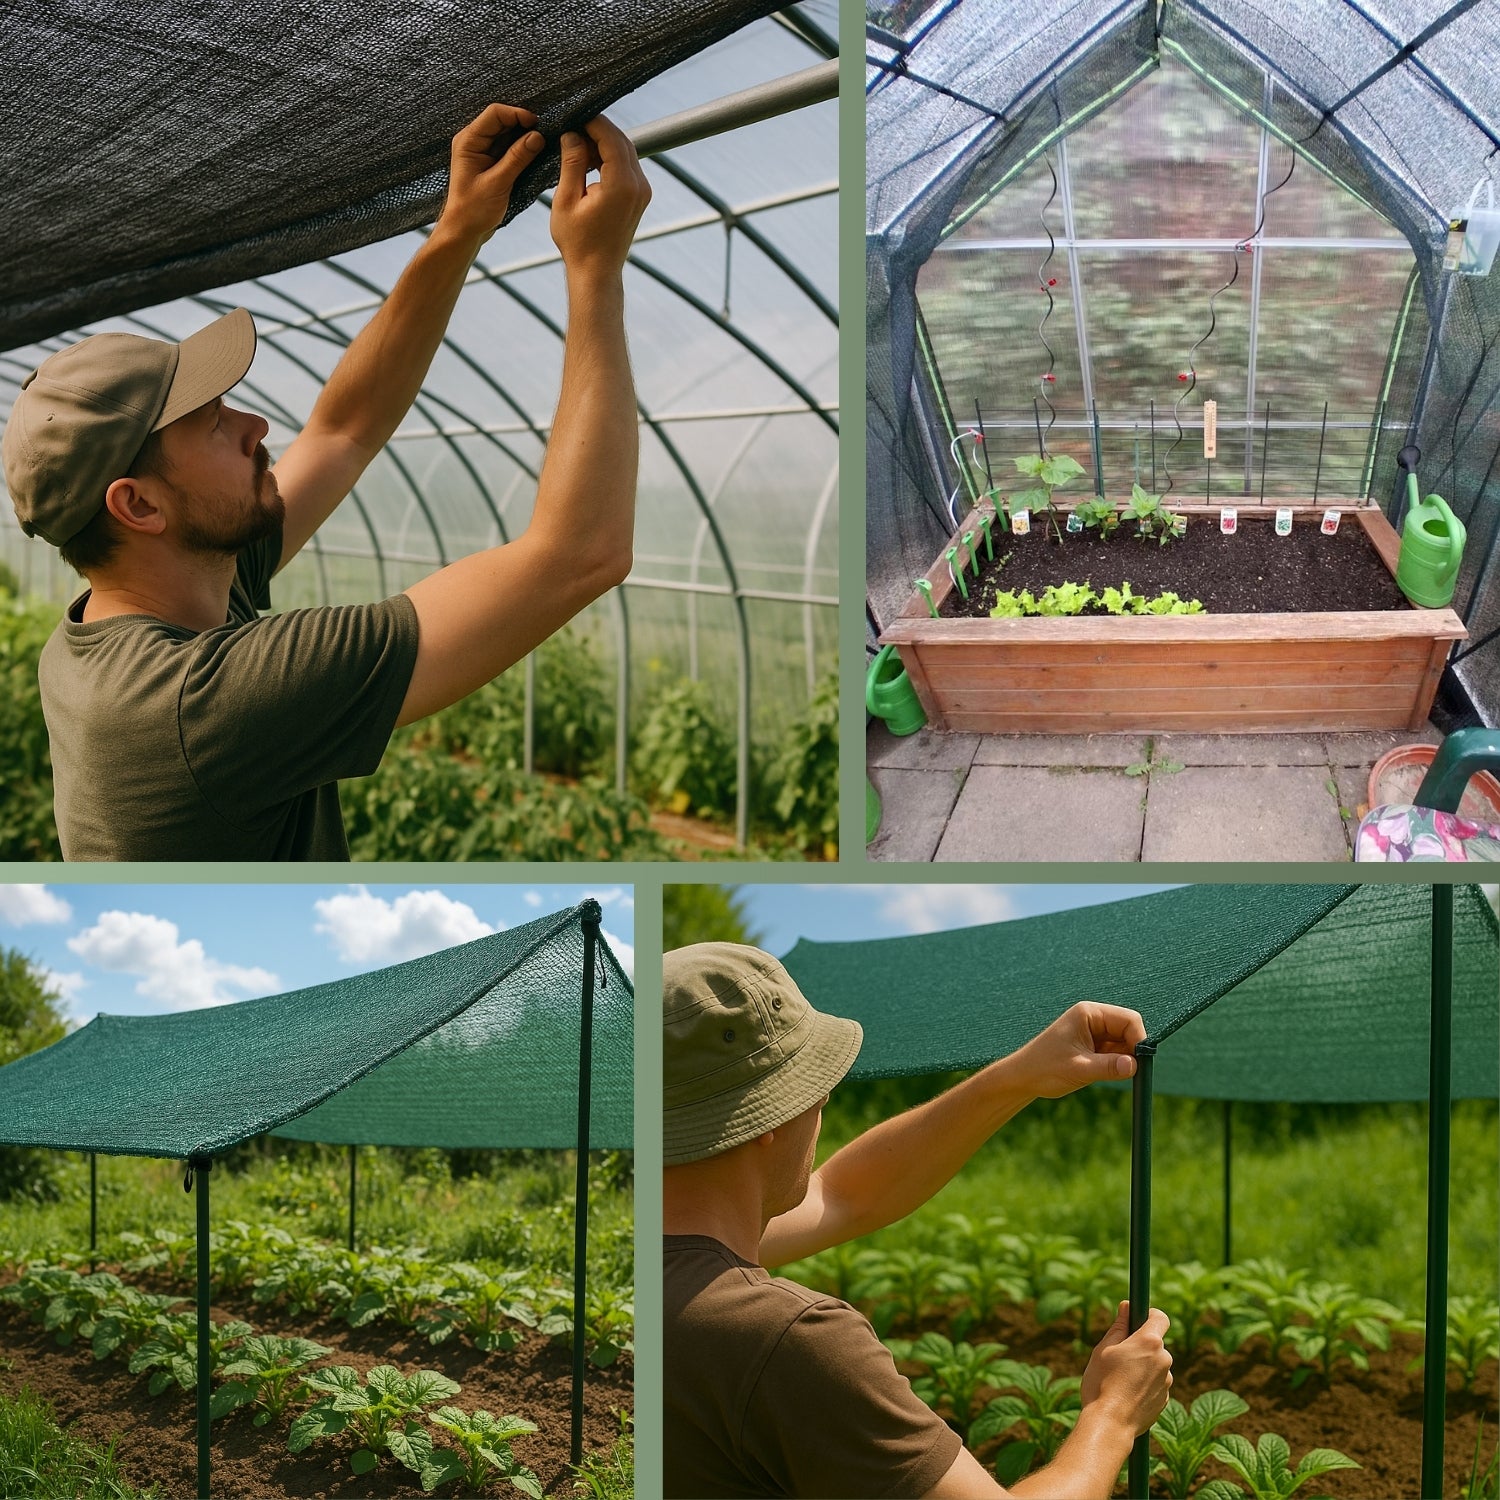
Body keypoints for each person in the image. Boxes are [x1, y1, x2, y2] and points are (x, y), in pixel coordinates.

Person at [1, 105, 649, 860]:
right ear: (139, 504)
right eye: (211, 424)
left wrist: (459, 229)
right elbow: (579, 553)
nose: (255, 426)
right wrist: (595, 270)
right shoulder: (198, 702)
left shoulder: (142, 606)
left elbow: (344, 431)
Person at [663, 942, 1174, 1500]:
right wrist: (1112, 1416)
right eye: (815, 1089)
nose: (822, 1103)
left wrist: (1018, 1077)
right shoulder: (787, 1343)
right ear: (768, 1113)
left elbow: (844, 1195)